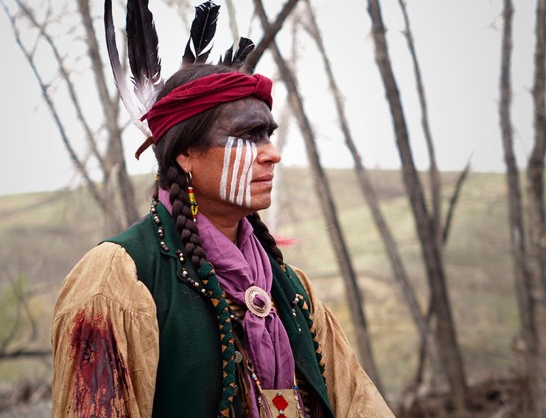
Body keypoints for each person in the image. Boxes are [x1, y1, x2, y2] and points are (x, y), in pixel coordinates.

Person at [50, 63, 394, 417]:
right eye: (247, 136)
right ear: (185, 154)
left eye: (268, 135)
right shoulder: (118, 277)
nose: (272, 153)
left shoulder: (291, 288)